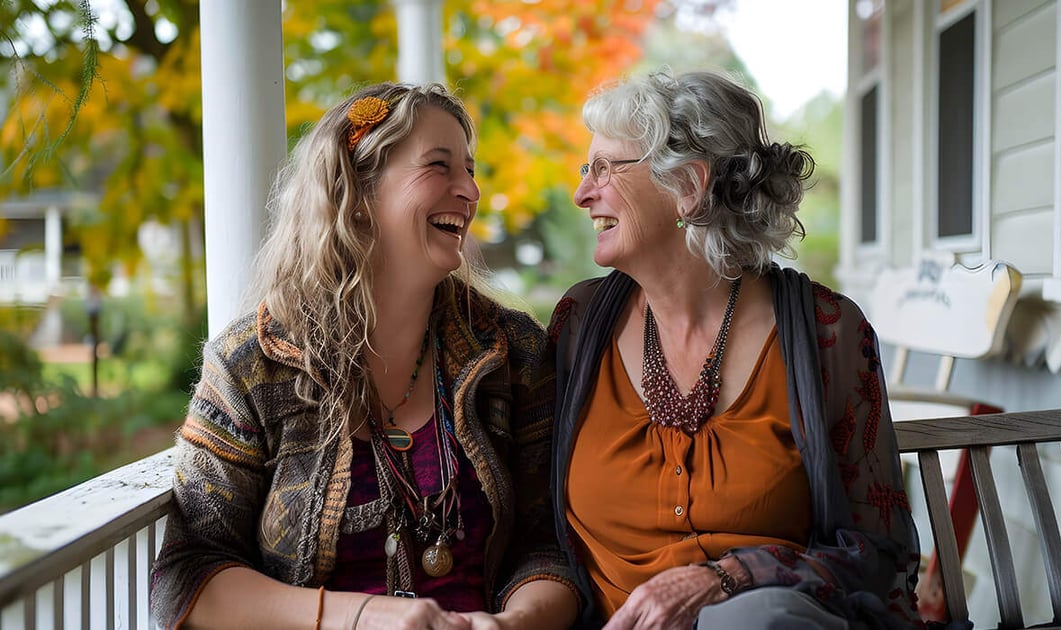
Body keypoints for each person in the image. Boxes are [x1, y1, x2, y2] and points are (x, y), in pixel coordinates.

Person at [150, 83, 580, 630]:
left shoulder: (512, 351)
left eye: (470, 170)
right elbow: (189, 575)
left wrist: (514, 623)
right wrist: (363, 617)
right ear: (357, 195)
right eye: (440, 166)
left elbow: (547, 545)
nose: (469, 189)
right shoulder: (251, 365)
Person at [547, 69, 921, 629]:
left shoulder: (825, 332)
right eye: (585, 169)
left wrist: (727, 580)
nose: (582, 194)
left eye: (604, 167)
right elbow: (533, 533)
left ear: (688, 186)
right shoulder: (579, 328)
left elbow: (877, 553)